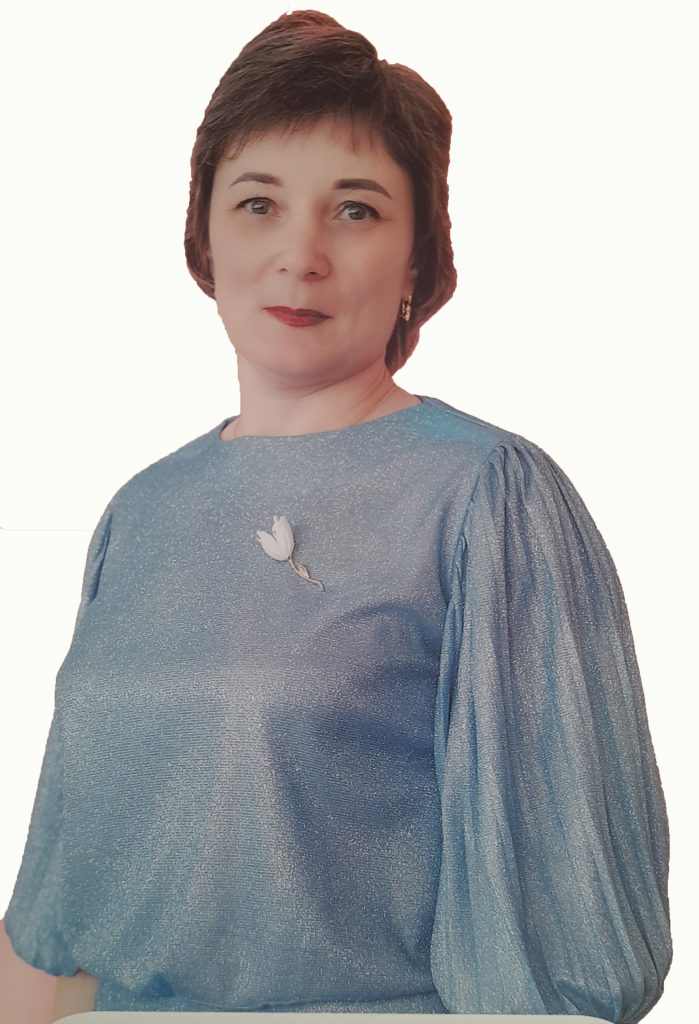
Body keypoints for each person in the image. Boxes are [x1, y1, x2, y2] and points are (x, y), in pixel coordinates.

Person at [1, 9, 672, 1021]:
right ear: (203, 238)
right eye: (258, 203)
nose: (300, 254)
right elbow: (52, 937)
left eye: (355, 210)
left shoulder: (487, 496)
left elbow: (567, 950)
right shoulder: (140, 512)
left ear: (418, 262)